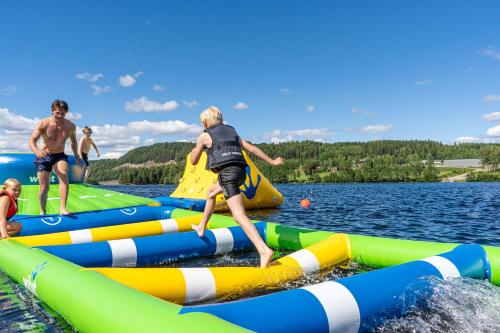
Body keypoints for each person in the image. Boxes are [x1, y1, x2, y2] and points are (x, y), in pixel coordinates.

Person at [190, 106, 285, 268]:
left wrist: (194, 151)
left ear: (205, 123)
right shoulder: (233, 133)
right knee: (211, 192)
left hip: (228, 175)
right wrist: (273, 161)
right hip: (241, 173)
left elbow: (194, 161)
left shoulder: (204, 136)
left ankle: (264, 251)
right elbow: (252, 148)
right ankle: (201, 227)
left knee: (238, 216)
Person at [28, 99, 82, 215]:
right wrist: (36, 151)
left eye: (63, 113)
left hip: (59, 155)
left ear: (66, 113)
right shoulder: (44, 123)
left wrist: (77, 156)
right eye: (57, 113)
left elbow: (73, 142)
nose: (60, 115)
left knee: (63, 173)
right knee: (44, 187)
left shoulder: (70, 126)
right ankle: (43, 210)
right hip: (44, 155)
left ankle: (63, 208)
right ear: (52, 111)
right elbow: (32, 140)